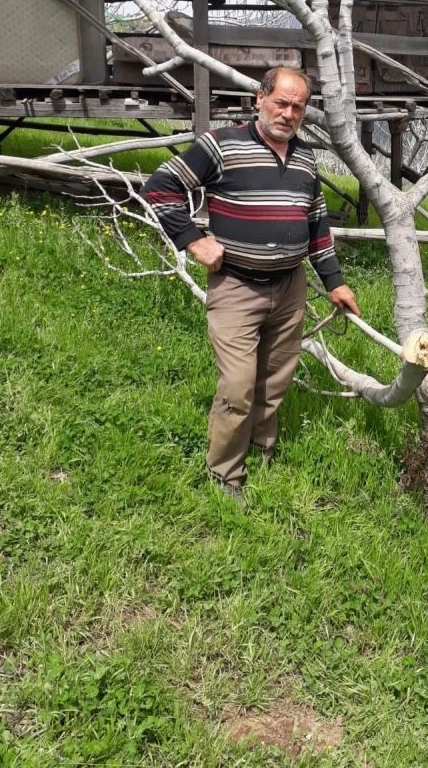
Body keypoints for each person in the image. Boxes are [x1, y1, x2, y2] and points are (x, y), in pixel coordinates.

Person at [143, 67, 359, 502]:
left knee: (275, 380)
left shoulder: (305, 159)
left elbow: (317, 224)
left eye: (298, 107)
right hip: (237, 286)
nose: (288, 113)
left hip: (289, 287)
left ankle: (262, 451)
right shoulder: (221, 145)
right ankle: (225, 473)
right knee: (239, 385)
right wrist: (193, 240)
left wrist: (334, 281)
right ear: (259, 99)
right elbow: (160, 188)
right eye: (281, 102)